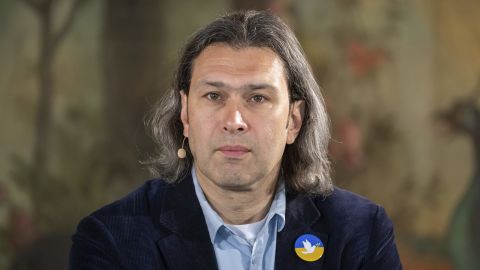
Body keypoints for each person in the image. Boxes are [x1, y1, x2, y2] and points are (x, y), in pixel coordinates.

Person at [69, 10, 402, 270]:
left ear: (294, 121)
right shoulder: (112, 239)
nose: (233, 121)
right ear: (185, 114)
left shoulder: (360, 231)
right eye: (214, 96)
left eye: (257, 98)